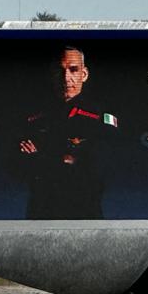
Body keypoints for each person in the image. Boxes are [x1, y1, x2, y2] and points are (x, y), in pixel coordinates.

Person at [19, 47, 118, 219]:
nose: (66, 77)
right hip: (42, 211)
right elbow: (16, 166)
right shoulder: (34, 117)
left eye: (73, 69)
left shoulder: (100, 117)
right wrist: (66, 159)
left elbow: (99, 166)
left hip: (84, 211)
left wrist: (40, 158)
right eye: (60, 70)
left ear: (84, 74)